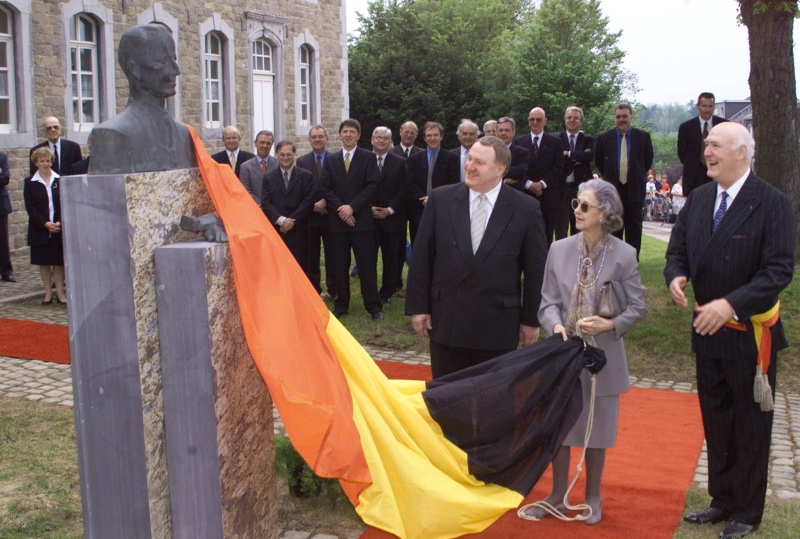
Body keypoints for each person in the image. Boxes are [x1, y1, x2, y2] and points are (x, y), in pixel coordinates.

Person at [665, 122, 794, 539]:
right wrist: (675, 276)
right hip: (707, 332)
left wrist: (730, 304)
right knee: (716, 419)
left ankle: (747, 510)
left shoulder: (771, 202)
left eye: (715, 145)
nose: (707, 151)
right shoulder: (700, 198)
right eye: (706, 144)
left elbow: (778, 270)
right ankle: (721, 499)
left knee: (750, 424)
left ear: (742, 152)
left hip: (749, 335)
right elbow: (677, 250)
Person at [524, 178, 647, 525]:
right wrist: (556, 326)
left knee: (599, 427)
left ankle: (592, 496)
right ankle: (557, 496)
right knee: (557, 425)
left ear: (604, 212)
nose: (576, 211)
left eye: (584, 206)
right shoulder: (558, 248)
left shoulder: (625, 255)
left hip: (603, 356)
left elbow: (637, 307)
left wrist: (609, 325)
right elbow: (546, 302)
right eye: (576, 204)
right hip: (561, 353)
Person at [405, 136, 548, 378]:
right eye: (469, 158)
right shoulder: (441, 200)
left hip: (497, 325)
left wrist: (531, 319)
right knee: (447, 398)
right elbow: (421, 258)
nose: (469, 166)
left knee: (491, 404)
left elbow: (536, 270)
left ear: (500, 170)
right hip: (447, 320)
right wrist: (418, 307)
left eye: (478, 162)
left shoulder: (526, 208)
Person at [90, 24, 196, 174]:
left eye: (173, 59)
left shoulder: (184, 134)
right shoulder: (111, 135)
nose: (176, 71)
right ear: (133, 69)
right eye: (163, 61)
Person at [321, 119, 383, 320]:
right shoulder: (330, 160)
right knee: (339, 265)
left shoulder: (368, 158)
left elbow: (372, 186)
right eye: (345, 131)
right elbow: (326, 189)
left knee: (366, 265)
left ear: (358, 135)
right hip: (338, 222)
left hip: (361, 220)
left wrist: (351, 208)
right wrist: (342, 210)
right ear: (340, 134)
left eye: (352, 131)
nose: (348, 134)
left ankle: (373, 307)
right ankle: (341, 305)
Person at [595, 103, 653, 259]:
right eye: (618, 116)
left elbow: (647, 162)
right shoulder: (604, 139)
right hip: (613, 192)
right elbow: (601, 163)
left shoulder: (643, 138)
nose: (621, 120)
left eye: (625, 116)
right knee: (613, 227)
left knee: (634, 228)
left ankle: (632, 261)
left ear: (631, 117)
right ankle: (613, 260)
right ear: (615, 118)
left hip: (634, 190)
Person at [513, 107, 566, 246]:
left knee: (546, 236)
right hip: (525, 195)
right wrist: (529, 183)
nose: (535, 122)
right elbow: (516, 167)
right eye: (532, 119)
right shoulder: (519, 142)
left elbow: (559, 167)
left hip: (548, 196)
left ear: (545, 121)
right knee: (524, 236)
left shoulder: (555, 142)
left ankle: (547, 266)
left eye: (539, 119)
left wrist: (541, 183)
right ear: (528, 121)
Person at [261, 141, 314, 276]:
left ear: (294, 155)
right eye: (282, 154)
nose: (285, 158)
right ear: (277, 155)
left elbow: (308, 201)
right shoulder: (268, 178)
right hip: (277, 230)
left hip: (300, 230)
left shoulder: (306, 176)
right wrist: (281, 220)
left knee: (300, 267)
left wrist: (291, 221)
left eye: (288, 154)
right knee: (277, 267)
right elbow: (266, 203)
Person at [24, 147, 67, 305]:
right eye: (41, 161)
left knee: (58, 262)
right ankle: (48, 293)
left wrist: (59, 222)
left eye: (48, 160)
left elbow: (65, 203)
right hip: (39, 228)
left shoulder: (60, 180)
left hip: (58, 227)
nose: (45, 163)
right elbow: (31, 207)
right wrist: (45, 224)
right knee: (44, 262)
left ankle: (61, 294)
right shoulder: (29, 183)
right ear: (36, 163)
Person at [405, 121, 459, 245]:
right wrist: (424, 199)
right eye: (429, 135)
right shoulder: (414, 159)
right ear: (424, 138)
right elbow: (409, 184)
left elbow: (452, 184)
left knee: (441, 245)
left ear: (441, 136)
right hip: (419, 209)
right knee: (419, 245)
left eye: (435, 135)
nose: (432, 138)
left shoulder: (452, 159)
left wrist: (434, 198)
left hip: (443, 208)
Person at [370, 126, 407, 304]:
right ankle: (369, 291)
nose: (381, 140)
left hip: (392, 219)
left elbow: (403, 190)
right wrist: (368, 208)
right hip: (368, 218)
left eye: (385, 138)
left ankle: (387, 292)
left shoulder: (400, 162)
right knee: (367, 258)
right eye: (378, 137)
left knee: (391, 257)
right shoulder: (364, 160)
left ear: (390, 141)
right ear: (372, 140)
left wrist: (389, 210)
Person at [677, 92, 727, 197]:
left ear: (714, 107)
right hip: (694, 177)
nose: (707, 109)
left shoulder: (724, 125)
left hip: (718, 175)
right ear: (698, 106)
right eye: (704, 106)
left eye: (710, 106)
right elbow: (682, 153)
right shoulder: (686, 128)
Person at [559, 106, 594, 236]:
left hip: (580, 188)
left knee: (579, 226)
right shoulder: (556, 139)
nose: (572, 120)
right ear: (565, 120)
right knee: (560, 226)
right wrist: (578, 156)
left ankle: (578, 255)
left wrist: (567, 153)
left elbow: (587, 158)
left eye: (575, 118)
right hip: (561, 188)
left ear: (581, 121)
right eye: (569, 118)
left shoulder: (587, 139)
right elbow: (558, 161)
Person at [239, 130, 278, 205]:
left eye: (268, 143)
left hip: (275, 209)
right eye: (262, 142)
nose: (265, 146)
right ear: (255, 143)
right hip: (254, 209)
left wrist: (269, 207)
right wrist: (261, 205)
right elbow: (246, 191)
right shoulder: (245, 167)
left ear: (272, 145)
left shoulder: (278, 164)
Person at [494, 116, 530, 185]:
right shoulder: (489, 151)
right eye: (500, 130)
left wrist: (495, 170)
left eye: (507, 130)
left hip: (514, 192)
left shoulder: (522, 153)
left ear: (513, 133)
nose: (503, 133)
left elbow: (520, 171)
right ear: (496, 133)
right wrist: (505, 180)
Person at [0, 151, 13, 282]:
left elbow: (5, 178)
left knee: (2, 240)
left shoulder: (2, 157)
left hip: (0, 204)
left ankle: (6, 271)